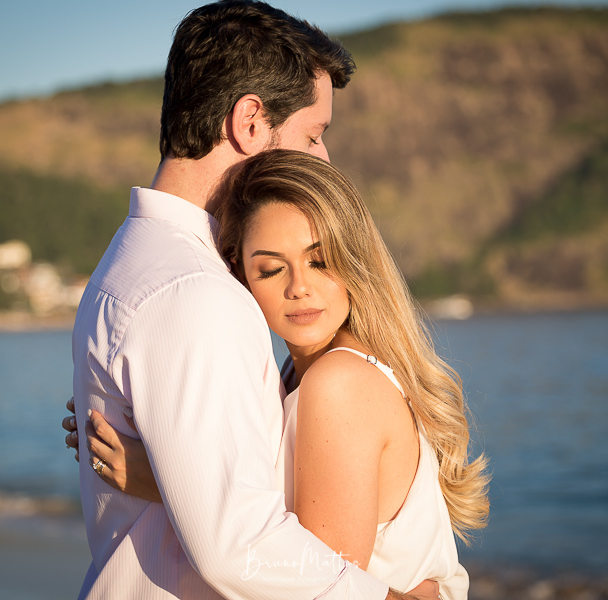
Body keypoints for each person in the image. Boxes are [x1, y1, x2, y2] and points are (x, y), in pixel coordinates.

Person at [69, 1, 443, 598]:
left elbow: (228, 510)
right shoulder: (196, 293)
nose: (322, 158)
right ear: (250, 122)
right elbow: (238, 546)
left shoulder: (128, 264)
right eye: (313, 135)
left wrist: (169, 480)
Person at [76, 149, 491, 599]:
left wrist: (170, 484)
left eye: (320, 260)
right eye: (272, 269)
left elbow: (318, 583)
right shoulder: (298, 372)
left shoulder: (340, 383)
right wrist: (182, 459)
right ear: (239, 275)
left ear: (355, 261)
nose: (299, 287)